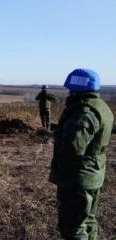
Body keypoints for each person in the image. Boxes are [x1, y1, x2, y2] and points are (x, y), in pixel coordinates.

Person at [49, 69, 114, 240]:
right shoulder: (103, 107)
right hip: (94, 174)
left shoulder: (83, 112)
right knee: (88, 221)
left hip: (77, 178)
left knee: (73, 228)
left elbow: (73, 147)